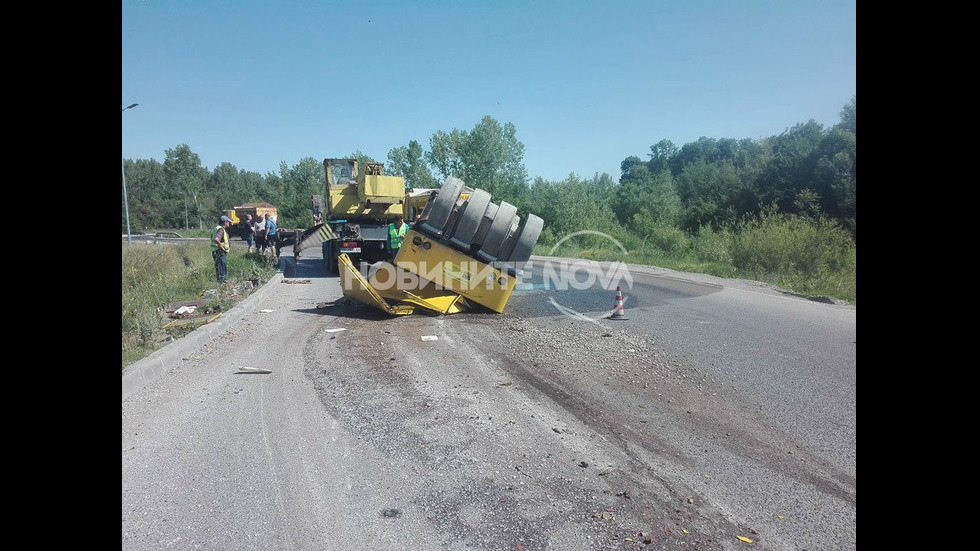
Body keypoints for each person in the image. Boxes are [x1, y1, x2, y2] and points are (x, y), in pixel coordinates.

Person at [211, 215, 232, 284]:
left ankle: (220, 282)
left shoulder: (216, 228)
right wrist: (221, 248)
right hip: (219, 251)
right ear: (225, 222)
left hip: (215, 251)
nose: (229, 223)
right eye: (228, 222)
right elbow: (216, 239)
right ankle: (222, 283)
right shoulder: (221, 229)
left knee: (219, 267)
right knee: (222, 267)